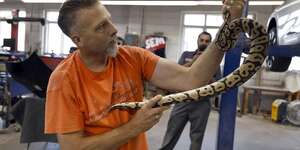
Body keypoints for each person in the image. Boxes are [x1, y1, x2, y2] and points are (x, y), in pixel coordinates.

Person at [44, 0, 244, 150]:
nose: (114, 30)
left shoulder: (132, 57)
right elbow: (73, 147)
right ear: (78, 40)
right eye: (100, 27)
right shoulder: (64, 80)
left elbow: (192, 79)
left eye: (109, 20)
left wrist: (229, 26)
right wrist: (134, 127)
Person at [160, 31, 221, 150]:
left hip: (202, 104)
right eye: (202, 40)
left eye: (207, 41)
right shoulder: (186, 55)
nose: (204, 43)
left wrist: (206, 68)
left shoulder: (214, 61)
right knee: (171, 134)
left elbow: (218, 84)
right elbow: (177, 72)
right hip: (182, 101)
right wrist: (194, 62)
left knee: (197, 137)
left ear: (210, 43)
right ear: (197, 41)